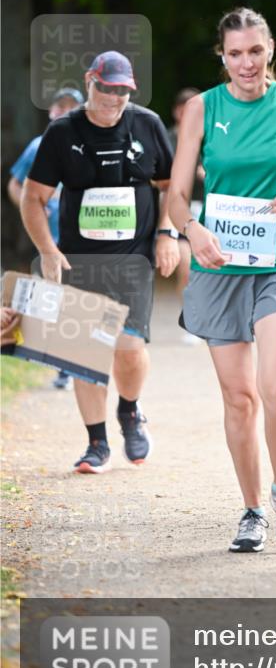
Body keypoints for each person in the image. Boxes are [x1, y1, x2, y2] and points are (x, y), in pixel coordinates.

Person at [168, 8, 276, 553]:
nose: (246, 63)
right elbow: (176, 196)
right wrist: (192, 230)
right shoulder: (202, 109)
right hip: (218, 267)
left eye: (255, 51)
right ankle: (252, 509)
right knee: (239, 398)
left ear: (270, 50)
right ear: (222, 56)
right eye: (235, 53)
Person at [21, 51, 180, 474]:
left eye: (122, 90)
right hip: (79, 260)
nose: (114, 97)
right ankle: (96, 444)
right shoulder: (62, 131)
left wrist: (167, 234)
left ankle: (129, 409)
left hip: (133, 259)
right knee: (85, 351)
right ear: (90, 82)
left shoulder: (146, 124)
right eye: (107, 88)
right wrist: (48, 250)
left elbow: (170, 185)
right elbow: (32, 198)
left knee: (128, 348)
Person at [8, 86, 84, 390]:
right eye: (60, 107)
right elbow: (15, 185)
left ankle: (73, 363)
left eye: (71, 107)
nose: (65, 112)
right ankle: (60, 365)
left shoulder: (90, 144)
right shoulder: (38, 146)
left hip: (84, 240)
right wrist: (33, 209)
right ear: (51, 112)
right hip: (49, 240)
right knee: (54, 301)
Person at [166, 87, 205, 343]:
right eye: (183, 108)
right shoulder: (168, 137)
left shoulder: (212, 133)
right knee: (186, 266)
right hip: (179, 208)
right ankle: (191, 320)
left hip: (207, 207)